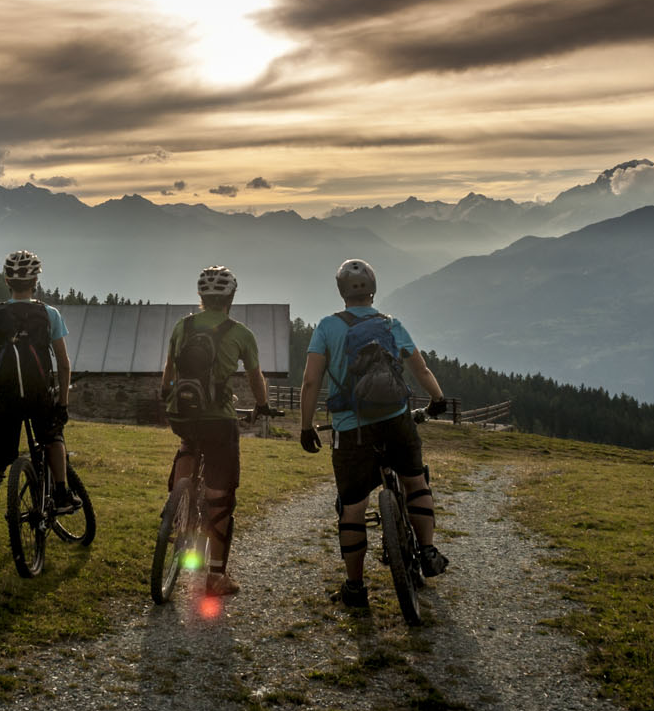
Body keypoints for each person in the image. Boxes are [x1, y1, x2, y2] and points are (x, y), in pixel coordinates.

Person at [299, 258, 451, 609]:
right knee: (415, 481)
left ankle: (355, 589)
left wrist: (306, 427)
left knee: (352, 506)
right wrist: (438, 398)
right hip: (396, 419)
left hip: (351, 430)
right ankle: (427, 552)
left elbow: (310, 381)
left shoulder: (326, 327)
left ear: (341, 293)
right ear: (373, 290)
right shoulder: (390, 324)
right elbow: (420, 367)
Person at [160, 265, 277, 597]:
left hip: (182, 414)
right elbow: (256, 378)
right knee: (220, 497)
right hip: (219, 419)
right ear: (231, 297)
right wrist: (263, 404)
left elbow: (168, 374)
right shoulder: (241, 334)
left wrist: (166, 395)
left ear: (201, 297)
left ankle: (177, 501)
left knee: (187, 442)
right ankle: (215, 576)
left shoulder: (182, 327)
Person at [0, 250, 76, 558]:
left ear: (7, 281)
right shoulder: (49, 314)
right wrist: (62, 402)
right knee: (52, 437)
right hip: (39, 398)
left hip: (5, 403)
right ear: (36, 281)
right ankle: (62, 494)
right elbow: (63, 364)